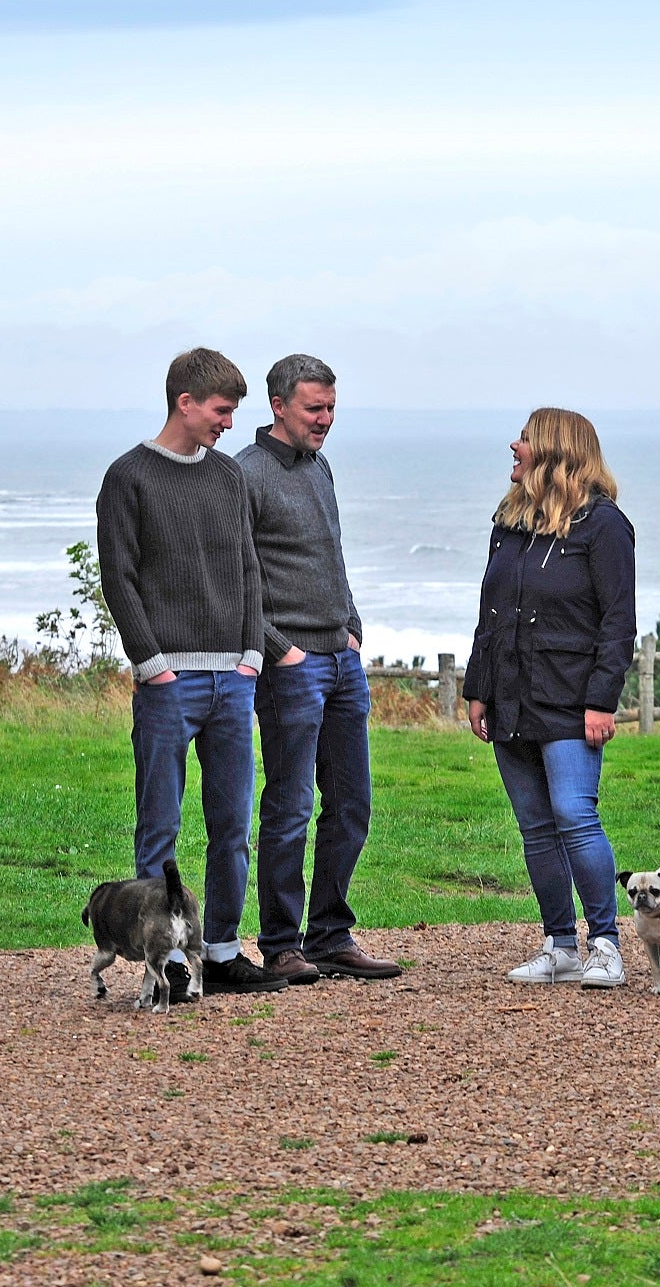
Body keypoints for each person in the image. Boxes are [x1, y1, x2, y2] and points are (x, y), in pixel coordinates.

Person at [94, 348, 288, 998]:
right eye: (222, 410)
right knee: (161, 827)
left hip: (231, 680)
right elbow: (118, 575)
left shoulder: (229, 478)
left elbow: (248, 569)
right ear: (186, 402)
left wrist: (250, 657)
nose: (230, 423)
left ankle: (225, 954)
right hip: (166, 683)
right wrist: (151, 665)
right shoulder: (129, 477)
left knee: (233, 826)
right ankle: (168, 962)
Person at [237, 354, 400, 984]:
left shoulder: (320, 466)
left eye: (332, 408)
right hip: (293, 666)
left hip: (341, 658)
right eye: (315, 409)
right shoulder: (244, 475)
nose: (326, 420)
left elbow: (331, 554)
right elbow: (237, 578)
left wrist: (352, 626)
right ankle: (280, 944)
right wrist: (280, 648)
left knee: (352, 803)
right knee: (290, 805)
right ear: (279, 406)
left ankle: (331, 935)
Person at [464, 407, 636, 990]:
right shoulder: (509, 521)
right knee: (535, 826)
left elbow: (618, 621)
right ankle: (560, 945)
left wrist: (602, 701)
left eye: (526, 439)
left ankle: (606, 944)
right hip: (510, 696)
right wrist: (477, 688)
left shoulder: (604, 526)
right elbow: (490, 615)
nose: (514, 446)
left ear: (556, 451)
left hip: (570, 699)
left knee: (573, 815)